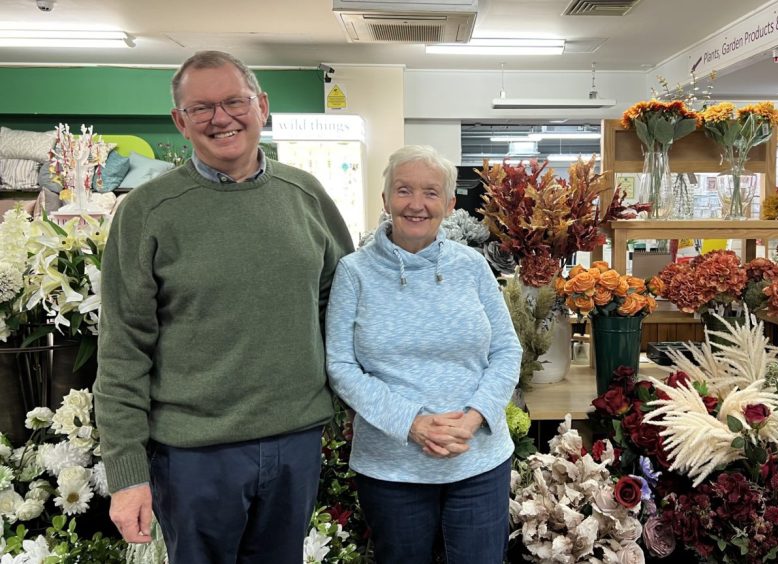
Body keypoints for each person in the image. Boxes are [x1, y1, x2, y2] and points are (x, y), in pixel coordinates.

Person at [93, 50, 354, 563]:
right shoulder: (146, 213)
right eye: (201, 108)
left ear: (261, 105)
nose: (221, 118)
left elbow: (343, 309)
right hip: (193, 454)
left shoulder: (306, 195)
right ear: (180, 122)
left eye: (234, 101)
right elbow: (123, 349)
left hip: (295, 442)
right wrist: (126, 475)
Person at [325, 145, 523, 564]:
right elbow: (341, 367)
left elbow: (507, 350)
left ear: (450, 204)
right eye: (404, 190)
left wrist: (472, 420)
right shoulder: (354, 273)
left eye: (431, 193)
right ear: (385, 200)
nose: (417, 204)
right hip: (391, 468)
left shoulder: (472, 266)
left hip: (478, 463)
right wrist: (412, 423)